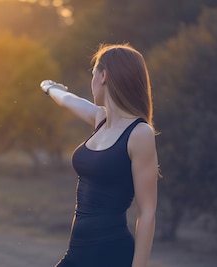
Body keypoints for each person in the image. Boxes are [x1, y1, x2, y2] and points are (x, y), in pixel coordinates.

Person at [40, 43, 158, 267]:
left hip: (111, 255)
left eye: (93, 73)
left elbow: (147, 211)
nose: (91, 80)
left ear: (103, 76)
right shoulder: (100, 119)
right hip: (77, 254)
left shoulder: (140, 133)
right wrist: (49, 88)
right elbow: (69, 100)